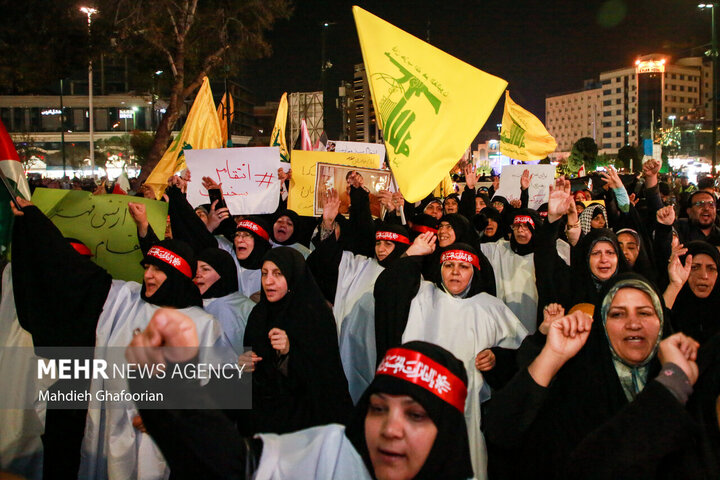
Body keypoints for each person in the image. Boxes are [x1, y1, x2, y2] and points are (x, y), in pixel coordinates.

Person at [10, 197, 228, 480]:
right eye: (146, 267)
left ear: (176, 276)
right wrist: (34, 221)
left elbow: (220, 386)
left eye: (158, 270)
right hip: (110, 427)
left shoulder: (202, 325)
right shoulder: (125, 300)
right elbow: (71, 270)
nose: (148, 275)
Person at [127, 313, 474, 480]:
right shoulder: (330, 453)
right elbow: (229, 466)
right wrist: (165, 384)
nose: (390, 429)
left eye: (415, 415)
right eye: (378, 409)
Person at [484, 273, 705, 479]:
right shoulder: (575, 385)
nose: (633, 324)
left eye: (645, 313)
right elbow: (501, 430)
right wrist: (552, 356)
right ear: (601, 324)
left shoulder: (686, 381)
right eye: (617, 314)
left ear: (661, 321)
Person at [374, 235, 526, 479]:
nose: (455, 272)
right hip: (420, 405)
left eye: (463, 267)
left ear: (474, 272)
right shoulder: (423, 295)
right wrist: (413, 254)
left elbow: (523, 357)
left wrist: (497, 359)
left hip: (470, 411)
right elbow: (386, 289)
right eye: (449, 265)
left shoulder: (491, 307)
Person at [308, 189, 412, 402]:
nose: (381, 249)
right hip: (349, 354)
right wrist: (327, 223)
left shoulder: (410, 278)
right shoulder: (359, 266)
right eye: (378, 243)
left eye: (388, 244)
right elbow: (326, 259)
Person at [243, 247, 353, 434]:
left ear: (293, 275)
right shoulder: (259, 314)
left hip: (307, 422)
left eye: (278, 274)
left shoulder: (315, 314)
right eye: (264, 274)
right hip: (266, 418)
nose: (268, 281)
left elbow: (324, 377)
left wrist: (289, 352)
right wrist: (246, 364)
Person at [480, 209, 545, 333]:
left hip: (535, 325)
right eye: (516, 226)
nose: (520, 230)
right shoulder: (500, 249)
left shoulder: (545, 255)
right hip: (504, 327)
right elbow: (472, 247)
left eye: (526, 226)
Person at [195, 247, 255, 355]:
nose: (197, 274)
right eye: (196, 269)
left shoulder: (246, 307)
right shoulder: (190, 305)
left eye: (205, 269)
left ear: (223, 272)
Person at [665, 241, 720, 345]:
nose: (704, 276)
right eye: (694, 267)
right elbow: (656, 330)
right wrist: (675, 285)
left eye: (711, 268)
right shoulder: (672, 304)